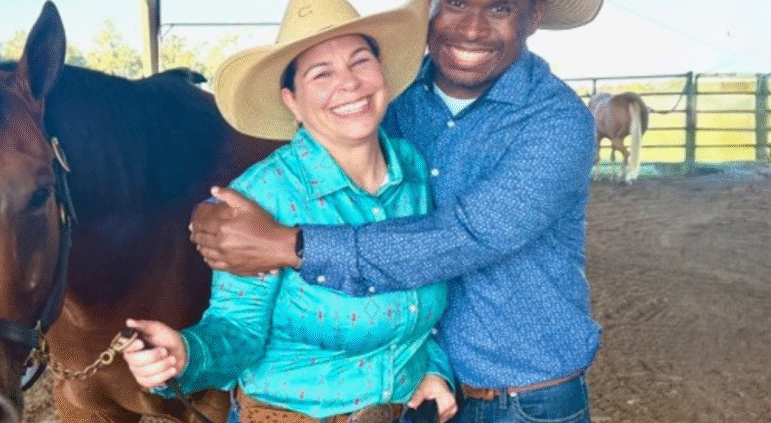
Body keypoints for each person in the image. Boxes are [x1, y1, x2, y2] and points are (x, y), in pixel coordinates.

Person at [187, 0, 605, 422]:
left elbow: (467, 236)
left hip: (523, 396)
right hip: (420, 394)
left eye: (499, 8)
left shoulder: (558, 122)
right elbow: (312, 154)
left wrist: (293, 245)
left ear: (533, 17)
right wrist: (217, 217)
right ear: (430, 8)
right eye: (457, 2)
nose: (473, 29)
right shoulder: (389, 99)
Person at [123, 0, 459, 422]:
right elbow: (238, 331)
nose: (350, 83)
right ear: (293, 101)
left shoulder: (414, 171)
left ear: (382, 73)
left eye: (361, 62)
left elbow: (422, 305)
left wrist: (432, 370)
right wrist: (185, 354)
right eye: (322, 73)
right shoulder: (263, 197)